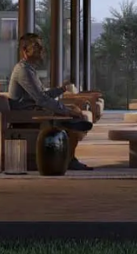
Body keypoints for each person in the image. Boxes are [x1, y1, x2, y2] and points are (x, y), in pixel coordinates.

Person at [7, 33, 92, 170]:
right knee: (73, 115)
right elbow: (41, 100)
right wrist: (66, 110)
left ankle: (70, 153)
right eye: (36, 46)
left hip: (33, 111)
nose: (41, 49)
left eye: (41, 45)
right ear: (24, 50)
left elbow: (41, 95)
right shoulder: (23, 71)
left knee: (75, 111)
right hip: (27, 116)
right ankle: (69, 157)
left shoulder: (29, 69)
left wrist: (61, 89)